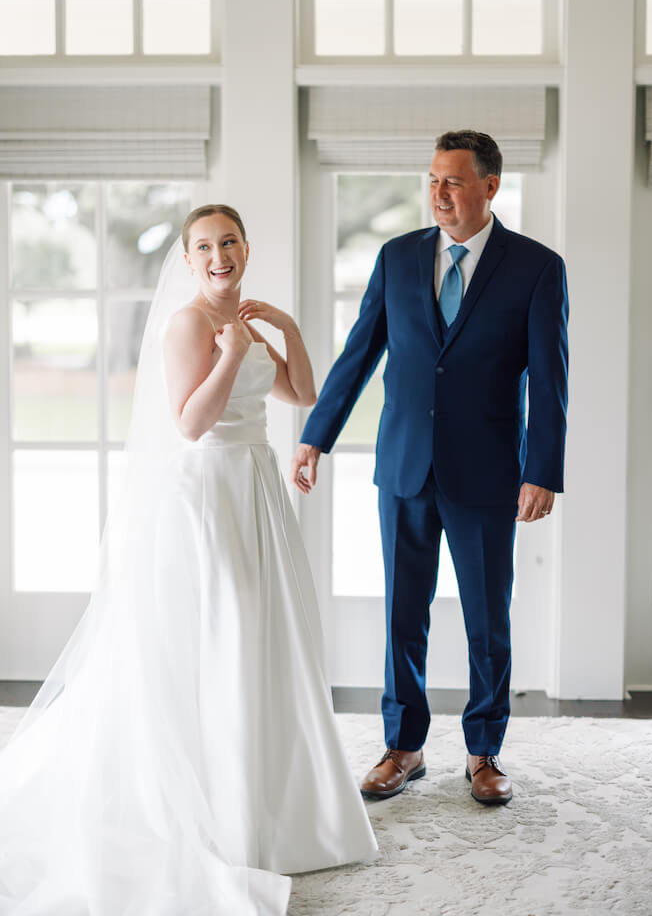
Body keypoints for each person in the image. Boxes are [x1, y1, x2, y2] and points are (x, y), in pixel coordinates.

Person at [0, 204, 377, 916]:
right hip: (209, 493)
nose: (217, 255)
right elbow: (190, 422)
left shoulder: (252, 323)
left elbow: (304, 395)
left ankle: (277, 806)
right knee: (221, 638)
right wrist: (232, 354)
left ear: (245, 246)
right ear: (186, 259)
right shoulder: (186, 325)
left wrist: (284, 331)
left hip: (256, 489)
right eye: (202, 246)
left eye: (228, 241)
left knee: (269, 637)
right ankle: (219, 812)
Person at [291, 130, 569, 807]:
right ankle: (402, 747)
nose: (438, 193)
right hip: (405, 466)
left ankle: (483, 752)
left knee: (485, 619)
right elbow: (360, 354)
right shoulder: (396, 258)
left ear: (489, 187)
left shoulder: (536, 266)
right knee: (401, 615)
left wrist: (543, 471)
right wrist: (314, 436)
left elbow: (551, 377)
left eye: (452, 181)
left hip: (488, 473)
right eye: (432, 180)